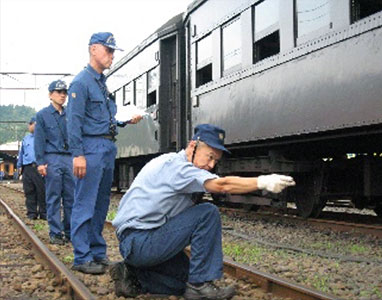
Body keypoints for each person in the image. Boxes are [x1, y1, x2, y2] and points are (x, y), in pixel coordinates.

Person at [111, 124, 296, 300]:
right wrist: (262, 182)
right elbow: (222, 185)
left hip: (141, 242)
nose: (211, 165)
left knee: (183, 281)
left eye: (215, 160)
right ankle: (200, 286)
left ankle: (133, 274)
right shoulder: (179, 168)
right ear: (193, 146)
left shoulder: (172, 163)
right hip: (140, 241)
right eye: (209, 157)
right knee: (207, 213)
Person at [67, 32, 143, 274]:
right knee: (84, 203)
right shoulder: (81, 82)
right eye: (108, 50)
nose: (111, 55)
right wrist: (77, 154)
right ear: (93, 50)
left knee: (100, 205)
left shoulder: (100, 83)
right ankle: (81, 257)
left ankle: (97, 252)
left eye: (112, 51)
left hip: (106, 147)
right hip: (90, 149)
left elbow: (101, 118)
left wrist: (123, 122)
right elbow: (74, 121)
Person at [34, 80, 74, 245]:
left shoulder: (70, 114)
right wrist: (40, 162)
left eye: (64, 92)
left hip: (69, 157)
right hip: (52, 158)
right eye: (58, 92)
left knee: (71, 197)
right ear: (50, 95)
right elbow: (39, 140)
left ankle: (70, 231)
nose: (62, 95)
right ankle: (56, 232)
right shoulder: (42, 115)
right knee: (54, 197)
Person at [17, 117, 46, 220]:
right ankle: (32, 213)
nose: (29, 126)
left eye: (31, 124)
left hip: (39, 167)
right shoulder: (26, 139)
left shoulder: (44, 137)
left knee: (41, 191)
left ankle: (43, 213)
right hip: (27, 168)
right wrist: (19, 166)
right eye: (29, 124)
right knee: (29, 191)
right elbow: (22, 153)